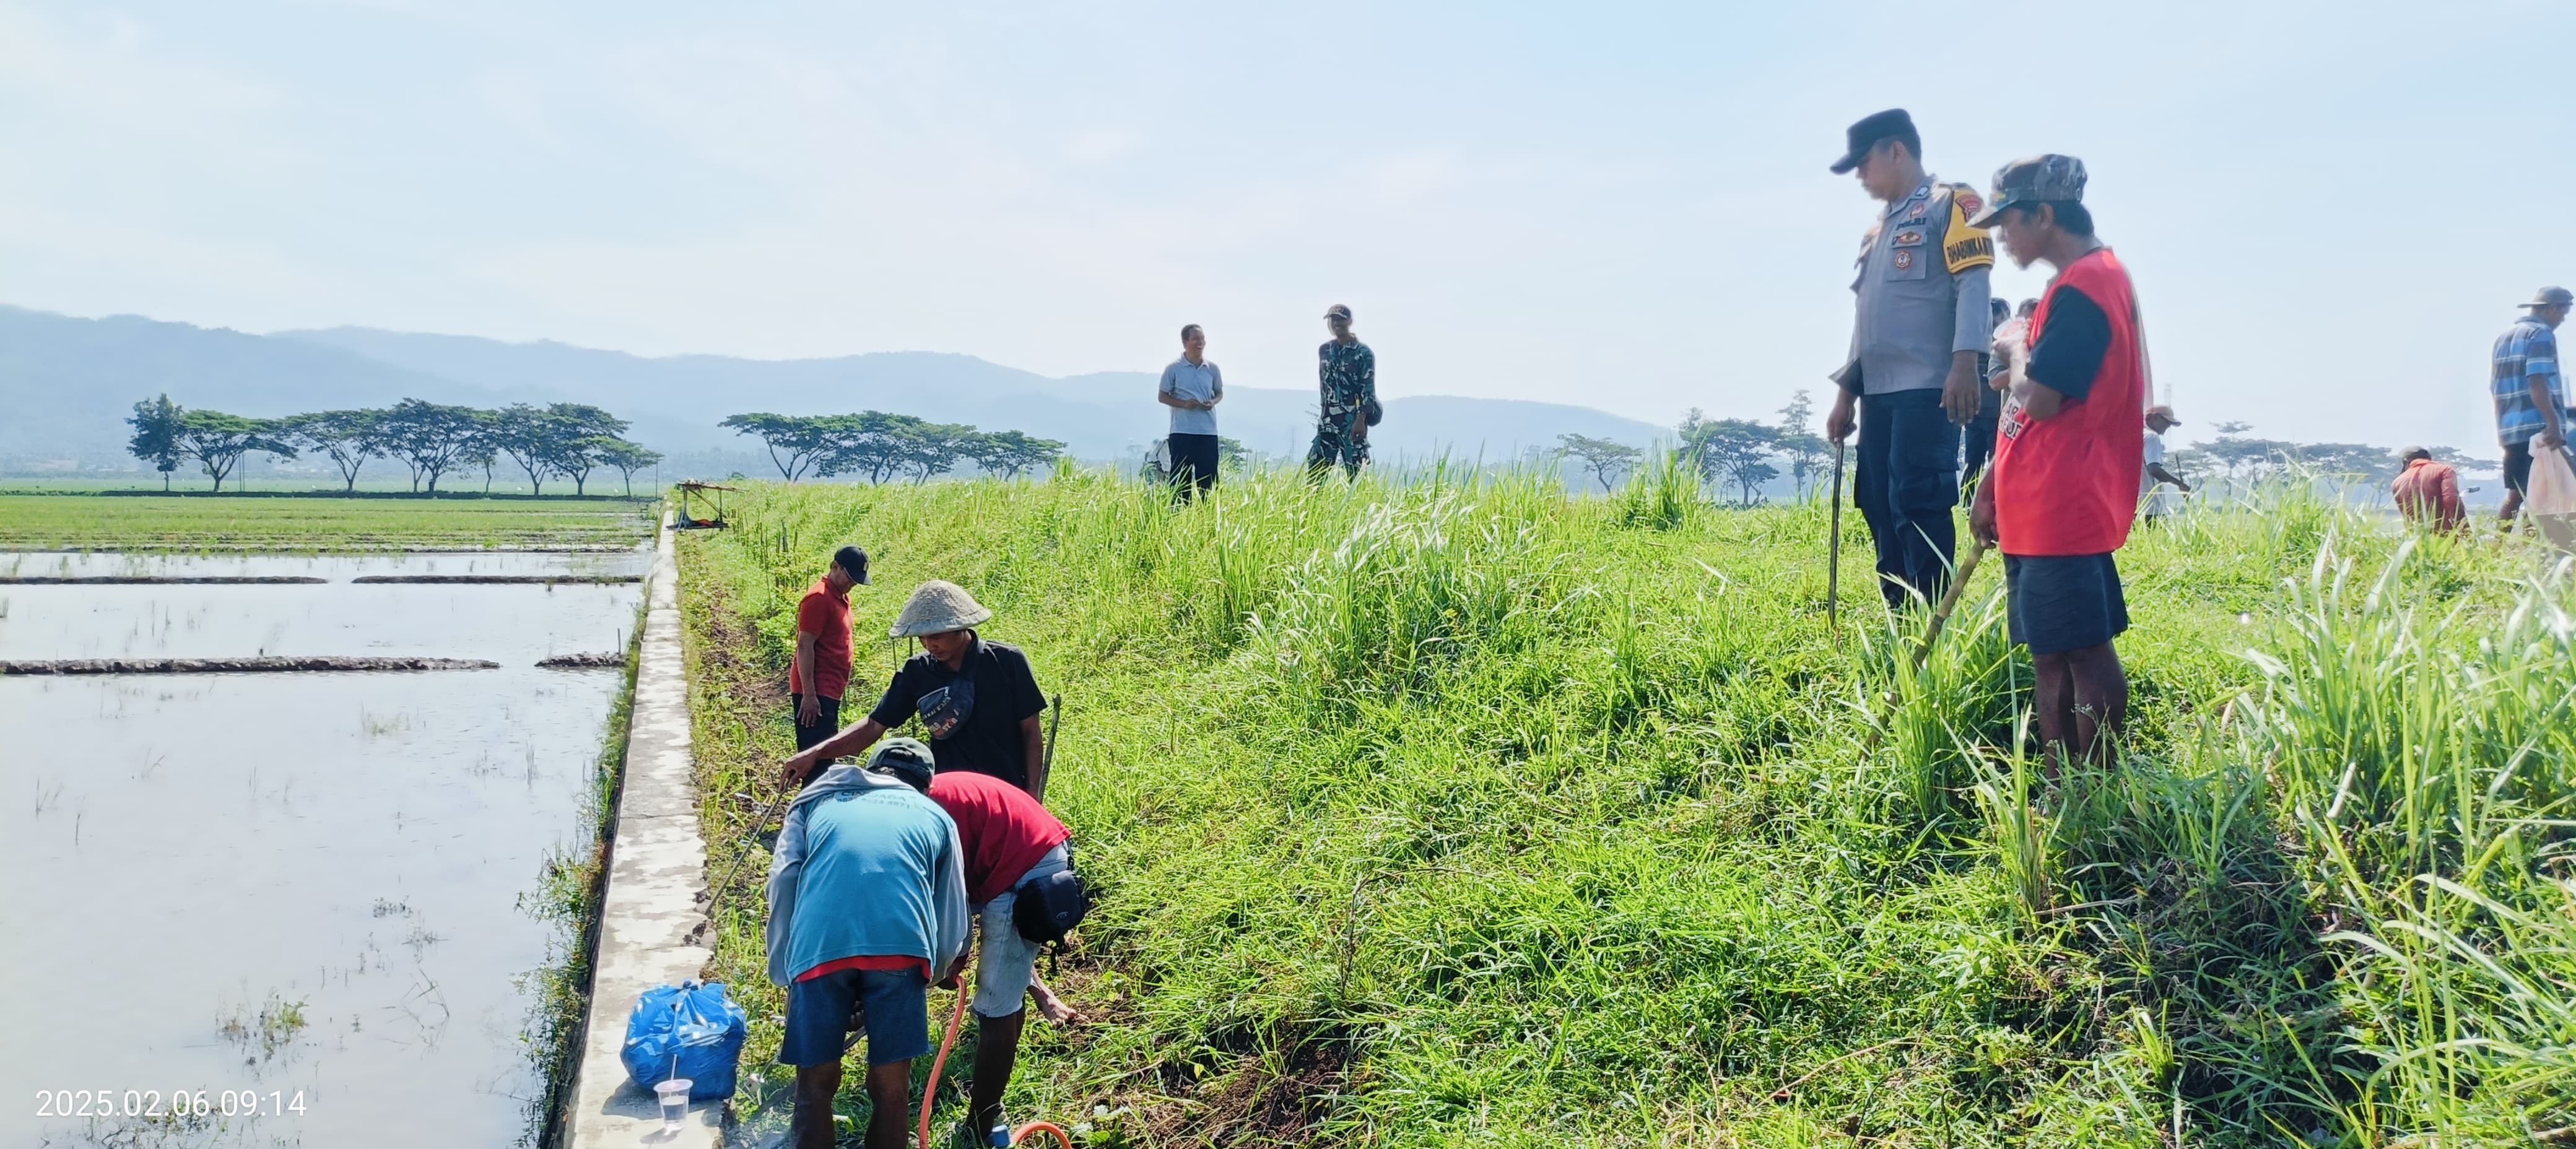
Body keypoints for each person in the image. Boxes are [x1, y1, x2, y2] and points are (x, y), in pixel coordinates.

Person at [1968, 154, 2143, 766]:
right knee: (2050, 653)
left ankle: (2093, 794)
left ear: (2042, 214)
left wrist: (2015, 346)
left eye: (2007, 221)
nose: (2000, 237)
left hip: (2061, 506)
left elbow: (2038, 399)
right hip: (2035, 504)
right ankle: (2058, 780)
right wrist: (1992, 483)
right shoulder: (2067, 287)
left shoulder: (2088, 285)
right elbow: (2026, 417)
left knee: (2083, 653)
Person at [1823, 108, 1995, 610]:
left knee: (1918, 500)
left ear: (1896, 150)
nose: (1860, 174)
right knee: (1878, 501)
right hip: (1878, 391)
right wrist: (1845, 396)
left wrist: (1966, 363)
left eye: (1864, 161)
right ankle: (1898, 615)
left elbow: (1974, 284)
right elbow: (1865, 320)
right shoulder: (1876, 233)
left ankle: (1932, 620)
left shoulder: (1954, 204)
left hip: (1930, 387)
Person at [765, 739, 968, 1149]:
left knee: (815, 1085)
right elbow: (952, 915)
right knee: (892, 1089)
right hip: (903, 946)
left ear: (872, 772)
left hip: (819, 943)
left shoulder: (817, 802)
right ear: (925, 787)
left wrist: (787, 967)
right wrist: (931, 974)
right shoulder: (936, 816)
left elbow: (786, 878)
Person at [926, 768, 1082, 1138]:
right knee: (1003, 995)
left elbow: (952, 904)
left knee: (995, 1006)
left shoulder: (924, 818)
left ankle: (980, 1126)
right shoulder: (921, 798)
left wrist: (948, 962)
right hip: (1018, 849)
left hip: (1026, 864)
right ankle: (990, 1103)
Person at [785, 580, 1051, 797]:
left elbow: (1030, 732)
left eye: (935, 636)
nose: (928, 645)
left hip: (1008, 793)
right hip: (951, 796)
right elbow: (873, 727)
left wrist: (1031, 793)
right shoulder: (918, 672)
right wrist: (816, 752)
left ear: (960, 626)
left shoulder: (1007, 661)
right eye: (921, 638)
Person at [2492, 286, 2573, 524]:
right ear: (2552, 309)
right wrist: (2553, 423)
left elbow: (2495, 387)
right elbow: (2537, 380)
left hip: (2510, 430)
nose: (2562, 319)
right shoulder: (2541, 334)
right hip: (2538, 428)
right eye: (2563, 313)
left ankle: (2498, 549)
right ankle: (2543, 552)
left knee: (2517, 494)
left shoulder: (2503, 338)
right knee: (2553, 491)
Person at [791, 545, 869, 752]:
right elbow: (805, 646)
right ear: (835, 567)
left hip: (829, 690)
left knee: (825, 755)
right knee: (815, 758)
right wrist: (809, 695)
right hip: (816, 692)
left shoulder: (840, 596)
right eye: (850, 577)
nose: (853, 584)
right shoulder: (819, 598)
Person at [1305, 304, 1376, 480]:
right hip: (1328, 421)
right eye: (1333, 319)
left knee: (1355, 473)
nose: (1336, 323)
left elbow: (1367, 389)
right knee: (1316, 472)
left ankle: (1358, 507)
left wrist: (1361, 420)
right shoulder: (1325, 350)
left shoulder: (1363, 353)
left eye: (1341, 319)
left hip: (1351, 421)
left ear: (1350, 322)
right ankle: (1312, 506)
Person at [1158, 324, 1224, 499]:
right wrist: (1184, 404)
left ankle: (1208, 517)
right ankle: (1180, 518)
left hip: (1208, 432)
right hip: (1182, 432)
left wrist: (1213, 402)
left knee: (1209, 479)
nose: (1200, 342)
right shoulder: (1173, 369)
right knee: (1181, 480)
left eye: (1202, 338)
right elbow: (1162, 396)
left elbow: (1219, 393)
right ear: (1185, 342)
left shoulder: (1212, 369)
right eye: (1196, 339)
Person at [1961, 297, 2009, 489]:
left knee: (1975, 462)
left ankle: (1969, 505)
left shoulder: (1972, 343)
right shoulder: (2001, 344)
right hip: (1992, 413)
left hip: (1978, 412)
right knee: (1991, 462)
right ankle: (1987, 506)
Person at [2391, 446, 2468, 533]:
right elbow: (2451, 500)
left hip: (2418, 536)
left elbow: (2407, 517)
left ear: (2406, 462)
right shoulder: (2444, 470)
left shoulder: (2397, 482)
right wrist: (2464, 528)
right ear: (2429, 459)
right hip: (2444, 533)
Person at [2141, 405, 2190, 522]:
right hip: (2149, 506)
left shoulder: (2135, 435)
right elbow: (2155, 470)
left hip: (2131, 504)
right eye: (2166, 421)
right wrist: (2179, 484)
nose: (2168, 426)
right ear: (2155, 418)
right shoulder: (2152, 436)